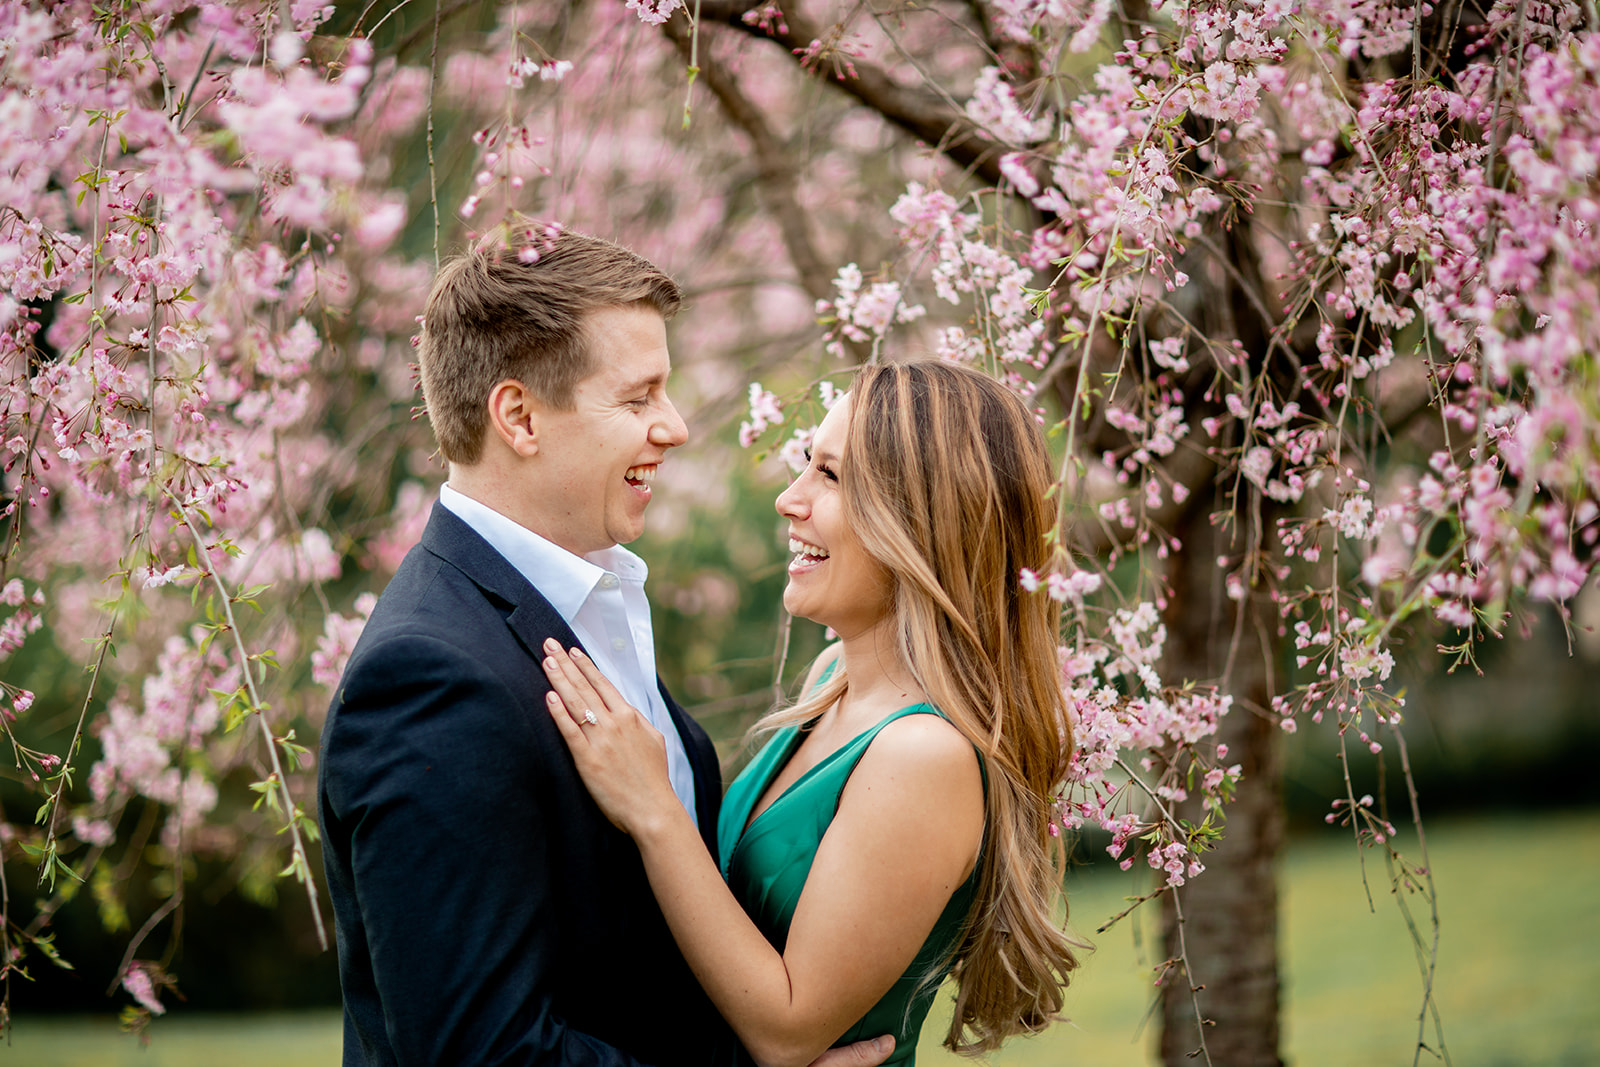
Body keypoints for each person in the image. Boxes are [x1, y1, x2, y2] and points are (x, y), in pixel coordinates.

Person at [317, 224, 895, 1067]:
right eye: (638, 398)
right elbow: (478, 1054)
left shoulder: (584, 598)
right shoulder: (432, 676)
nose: (676, 427)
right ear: (519, 416)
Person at [540, 360, 1083, 1067]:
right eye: (806, 465)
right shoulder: (834, 679)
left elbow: (787, 1028)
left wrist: (654, 811)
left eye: (830, 476)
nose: (789, 500)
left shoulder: (922, 755)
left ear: (919, 519)